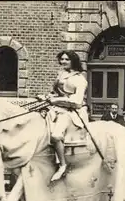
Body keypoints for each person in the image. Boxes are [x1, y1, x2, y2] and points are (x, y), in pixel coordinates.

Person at [38, 50, 89, 182]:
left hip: (71, 112)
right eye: (62, 59)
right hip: (56, 109)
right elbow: (55, 93)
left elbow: (77, 102)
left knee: (56, 135)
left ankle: (62, 165)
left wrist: (55, 101)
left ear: (73, 61)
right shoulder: (61, 75)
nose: (63, 62)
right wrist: (48, 97)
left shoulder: (80, 79)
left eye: (67, 59)